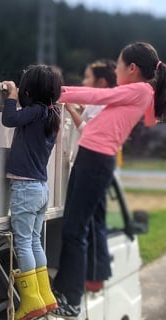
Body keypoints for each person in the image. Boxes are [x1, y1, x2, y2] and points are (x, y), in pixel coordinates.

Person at [51, 42, 166, 320]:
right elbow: (151, 118)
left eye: (119, 65)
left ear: (132, 69)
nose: (117, 69)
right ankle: (66, 294)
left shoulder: (140, 89)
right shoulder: (143, 92)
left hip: (96, 161)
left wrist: (56, 92)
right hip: (92, 158)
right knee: (74, 227)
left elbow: (96, 96)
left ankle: (71, 300)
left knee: (75, 230)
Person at [1, 64, 64, 320]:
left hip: (26, 188)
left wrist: (12, 97)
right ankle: (45, 295)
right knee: (35, 241)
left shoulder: (36, 112)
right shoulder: (52, 112)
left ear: (30, 89)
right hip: (40, 187)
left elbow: (9, 120)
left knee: (24, 242)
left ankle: (30, 301)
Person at [63, 58, 117, 294]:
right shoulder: (99, 103)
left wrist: (69, 107)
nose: (84, 82)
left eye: (87, 78)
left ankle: (93, 277)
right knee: (91, 221)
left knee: (87, 224)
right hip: (92, 163)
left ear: (102, 81)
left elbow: (87, 130)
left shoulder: (106, 105)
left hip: (93, 163)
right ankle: (94, 276)